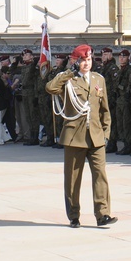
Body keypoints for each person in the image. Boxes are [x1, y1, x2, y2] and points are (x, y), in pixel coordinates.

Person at [46, 44, 117, 228]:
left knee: (100, 175)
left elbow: (105, 110)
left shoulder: (98, 79)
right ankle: (74, 215)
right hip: (74, 136)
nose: (87, 63)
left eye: (89, 59)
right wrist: (70, 72)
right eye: (83, 60)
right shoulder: (68, 80)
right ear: (75, 61)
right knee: (73, 179)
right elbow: (50, 88)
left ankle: (103, 214)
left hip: (96, 136)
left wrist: (106, 133)